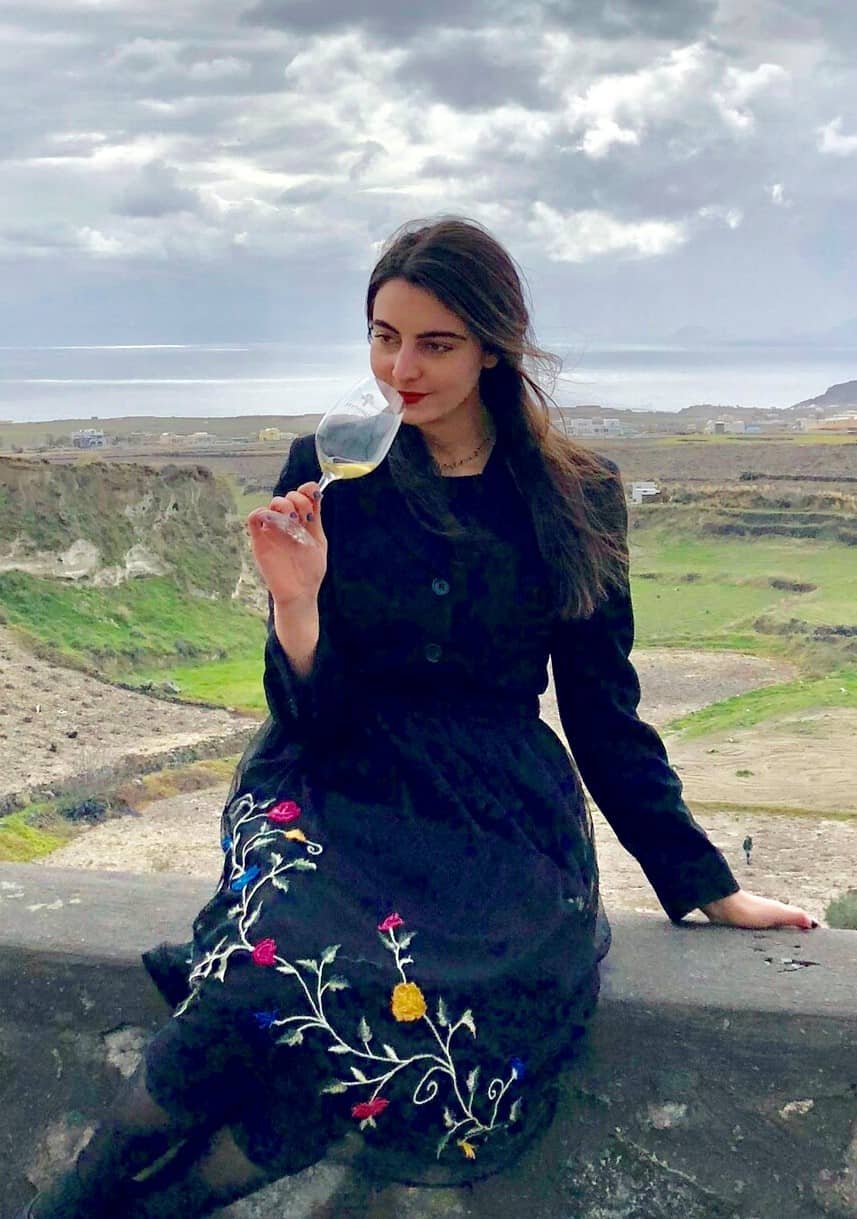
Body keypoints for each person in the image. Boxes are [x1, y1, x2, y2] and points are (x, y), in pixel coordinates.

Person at [15, 217, 815, 1219]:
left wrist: (705, 884)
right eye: (383, 337)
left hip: (492, 814)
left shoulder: (576, 495)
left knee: (429, 1013)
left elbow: (603, 712)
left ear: (492, 348)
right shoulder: (325, 469)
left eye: (434, 343)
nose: (400, 368)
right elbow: (308, 709)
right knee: (268, 974)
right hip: (332, 778)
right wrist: (296, 605)